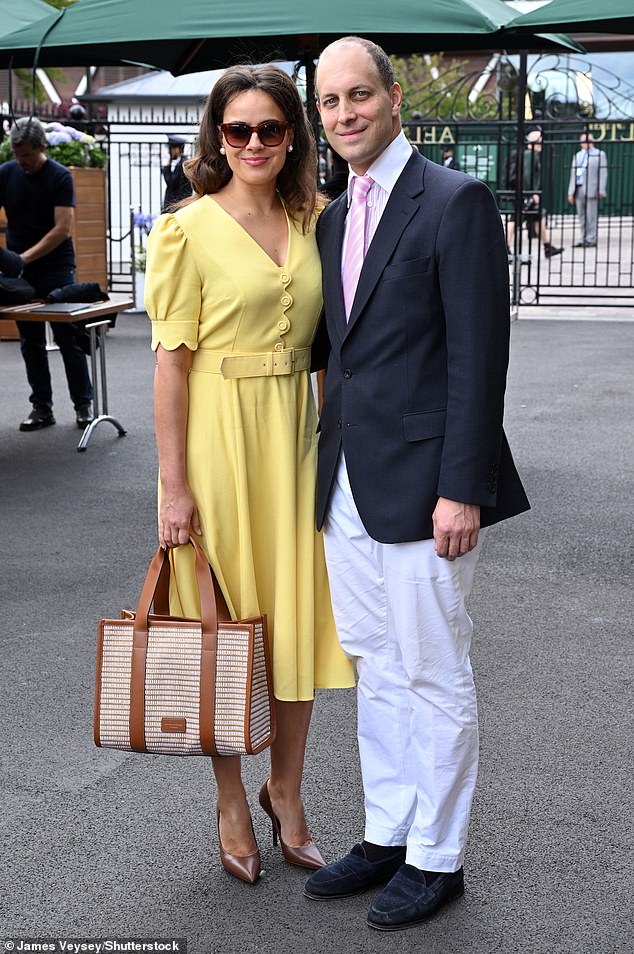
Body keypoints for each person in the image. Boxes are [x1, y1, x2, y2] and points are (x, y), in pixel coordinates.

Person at [304, 37, 530, 931]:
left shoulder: (454, 200)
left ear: (395, 99)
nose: (346, 113)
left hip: (430, 486)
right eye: (329, 101)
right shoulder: (331, 217)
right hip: (348, 486)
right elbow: (345, 352)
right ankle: (388, 832)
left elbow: (480, 356)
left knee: (434, 671)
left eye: (361, 94)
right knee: (376, 667)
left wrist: (463, 487)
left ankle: (438, 859)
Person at [144, 64, 354, 886]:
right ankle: (232, 798)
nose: (256, 143)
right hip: (214, 449)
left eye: (271, 128)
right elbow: (170, 367)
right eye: (238, 130)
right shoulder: (186, 231)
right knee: (220, 634)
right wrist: (174, 485)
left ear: (296, 134)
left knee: (294, 624)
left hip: (293, 444)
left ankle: (287, 792)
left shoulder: (317, 221)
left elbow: (336, 347)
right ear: (217, 137)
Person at [0, 117, 93, 431]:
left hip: (55, 268)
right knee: (31, 342)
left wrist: (20, 259)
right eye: (16, 155)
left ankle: (84, 407)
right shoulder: (6, 173)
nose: (20, 162)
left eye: (26, 156)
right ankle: (42, 408)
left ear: (41, 147)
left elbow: (62, 229)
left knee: (68, 336)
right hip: (19, 270)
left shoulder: (60, 176)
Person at [506, 129, 562, 259]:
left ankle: (547, 247)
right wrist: (532, 193)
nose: (541, 144)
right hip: (526, 195)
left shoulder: (529, 154)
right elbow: (527, 176)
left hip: (525, 194)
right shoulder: (531, 155)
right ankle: (505, 247)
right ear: (535, 142)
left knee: (538, 218)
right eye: (540, 141)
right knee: (515, 219)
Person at [567, 132, 608, 247]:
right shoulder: (578, 155)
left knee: (591, 215)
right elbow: (573, 174)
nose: (586, 144)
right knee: (581, 215)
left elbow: (603, 173)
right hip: (578, 188)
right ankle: (583, 237)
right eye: (584, 141)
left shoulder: (599, 154)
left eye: (588, 141)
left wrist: (601, 189)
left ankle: (591, 239)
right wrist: (570, 192)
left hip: (592, 189)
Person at [161, 133, 192, 210]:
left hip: (177, 206)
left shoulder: (182, 164)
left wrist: (167, 166)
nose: (169, 152)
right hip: (177, 205)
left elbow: (170, 182)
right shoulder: (182, 162)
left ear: (177, 149)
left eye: (170, 149)